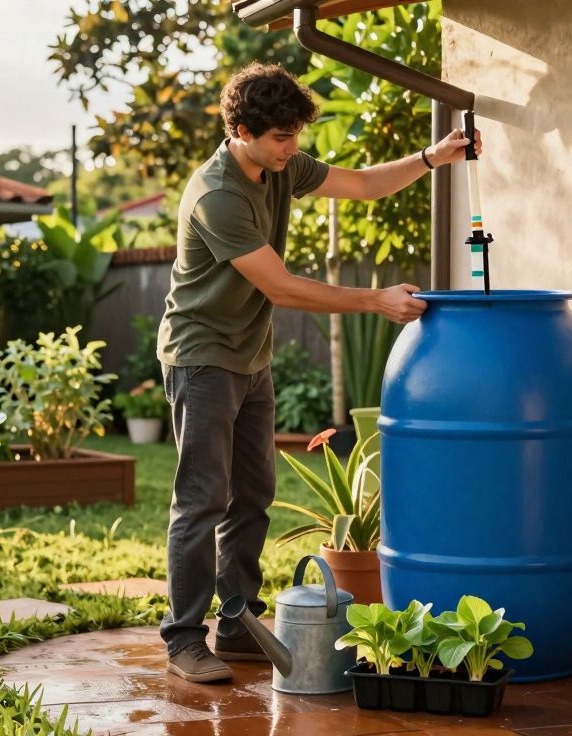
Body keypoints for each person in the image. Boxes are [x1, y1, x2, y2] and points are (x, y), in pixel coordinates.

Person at [156, 62, 482, 683]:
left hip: (250, 357)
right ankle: (183, 639)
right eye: (281, 137)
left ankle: (237, 623)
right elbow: (279, 286)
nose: (292, 148)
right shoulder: (218, 193)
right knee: (202, 500)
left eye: (295, 135)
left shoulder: (279, 165)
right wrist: (374, 299)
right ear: (243, 131)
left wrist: (432, 157)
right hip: (202, 358)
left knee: (252, 496)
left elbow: (360, 185)